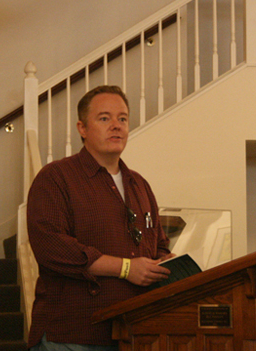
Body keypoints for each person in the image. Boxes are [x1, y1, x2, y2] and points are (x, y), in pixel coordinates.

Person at [27, 85, 175, 350]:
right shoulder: (56, 177)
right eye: (104, 118)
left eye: (123, 118)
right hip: (73, 335)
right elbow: (52, 248)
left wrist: (168, 263)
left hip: (133, 334)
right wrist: (126, 268)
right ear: (82, 128)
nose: (116, 126)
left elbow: (158, 246)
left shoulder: (139, 184)